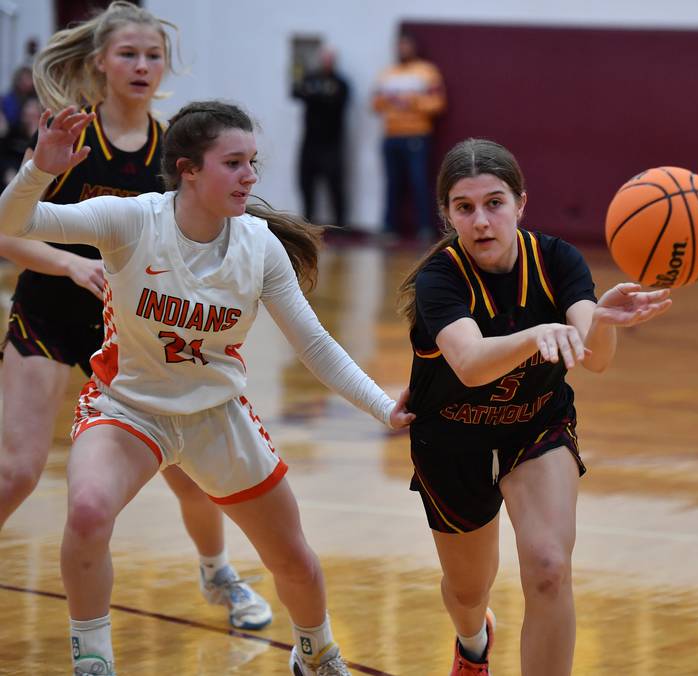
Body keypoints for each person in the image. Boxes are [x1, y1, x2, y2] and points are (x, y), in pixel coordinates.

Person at [0, 100, 414, 676]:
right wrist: (38, 171)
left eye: (252, 163)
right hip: (128, 408)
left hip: (216, 412)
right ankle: (93, 659)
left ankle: (317, 654)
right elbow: (12, 223)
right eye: (233, 163)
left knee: (293, 559)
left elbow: (316, 346)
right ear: (189, 170)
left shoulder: (260, 246)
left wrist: (383, 407)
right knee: (89, 510)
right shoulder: (132, 220)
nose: (250, 176)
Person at [0, 1, 273, 633]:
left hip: (135, 330)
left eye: (153, 55)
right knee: (17, 470)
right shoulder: (70, 135)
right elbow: (7, 231)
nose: (142, 65)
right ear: (101, 61)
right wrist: (69, 264)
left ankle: (218, 573)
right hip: (48, 314)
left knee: (190, 474)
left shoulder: (173, 149)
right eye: (128, 54)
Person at [398, 138, 672, 675]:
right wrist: (536, 334)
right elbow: (471, 364)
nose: (481, 220)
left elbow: (594, 358)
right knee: (468, 590)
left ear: (521, 203)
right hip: (452, 439)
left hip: (536, 426)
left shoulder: (556, 259)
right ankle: (473, 642)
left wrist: (603, 319)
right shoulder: (440, 278)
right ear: (447, 215)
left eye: (495, 203)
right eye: (465, 207)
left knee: (549, 569)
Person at [372, 32, 446, 243]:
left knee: (418, 181)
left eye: (406, 45)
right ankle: (389, 227)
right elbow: (375, 103)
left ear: (413, 47)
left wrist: (412, 102)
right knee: (392, 183)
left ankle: (424, 227)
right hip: (391, 135)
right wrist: (389, 101)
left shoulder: (427, 72)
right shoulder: (387, 74)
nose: (402, 49)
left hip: (417, 135)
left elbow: (437, 103)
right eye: (400, 45)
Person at [292, 45, 349, 228]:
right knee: (306, 183)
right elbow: (296, 92)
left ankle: (340, 225)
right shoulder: (310, 78)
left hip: (332, 143)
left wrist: (315, 95)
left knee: (335, 185)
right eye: (324, 58)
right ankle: (308, 222)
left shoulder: (341, 82)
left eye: (329, 59)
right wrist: (320, 95)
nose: (326, 62)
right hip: (310, 142)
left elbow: (336, 101)